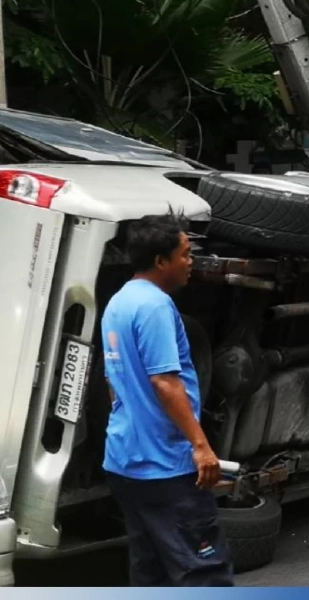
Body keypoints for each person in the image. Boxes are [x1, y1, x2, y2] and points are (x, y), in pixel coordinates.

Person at [103, 213, 233, 586]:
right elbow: (165, 382)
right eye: (185, 254)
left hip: (125, 461)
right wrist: (200, 445)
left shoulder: (119, 302)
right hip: (166, 467)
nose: (191, 262)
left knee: (151, 572)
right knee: (203, 572)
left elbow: (113, 379)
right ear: (161, 261)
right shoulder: (156, 307)